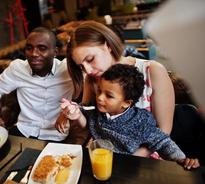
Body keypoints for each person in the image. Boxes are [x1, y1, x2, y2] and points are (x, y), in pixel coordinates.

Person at [56, 20, 175, 157]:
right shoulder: (92, 79)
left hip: (143, 155)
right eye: (81, 66)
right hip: (102, 153)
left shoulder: (152, 71)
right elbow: (89, 123)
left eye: (90, 59)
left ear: (107, 45)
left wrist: (129, 158)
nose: (87, 70)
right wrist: (73, 114)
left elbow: (164, 130)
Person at [60, 64, 200, 169]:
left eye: (109, 95)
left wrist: (183, 159)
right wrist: (76, 114)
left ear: (126, 103)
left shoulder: (141, 122)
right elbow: (87, 122)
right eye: (99, 91)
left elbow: (163, 142)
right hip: (98, 162)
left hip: (128, 168)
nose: (100, 98)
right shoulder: (98, 111)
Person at [0, 27, 73, 141]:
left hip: (56, 134)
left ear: (55, 52)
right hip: (24, 130)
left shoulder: (68, 70)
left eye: (42, 48)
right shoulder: (18, 68)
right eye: (29, 48)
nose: (34, 54)